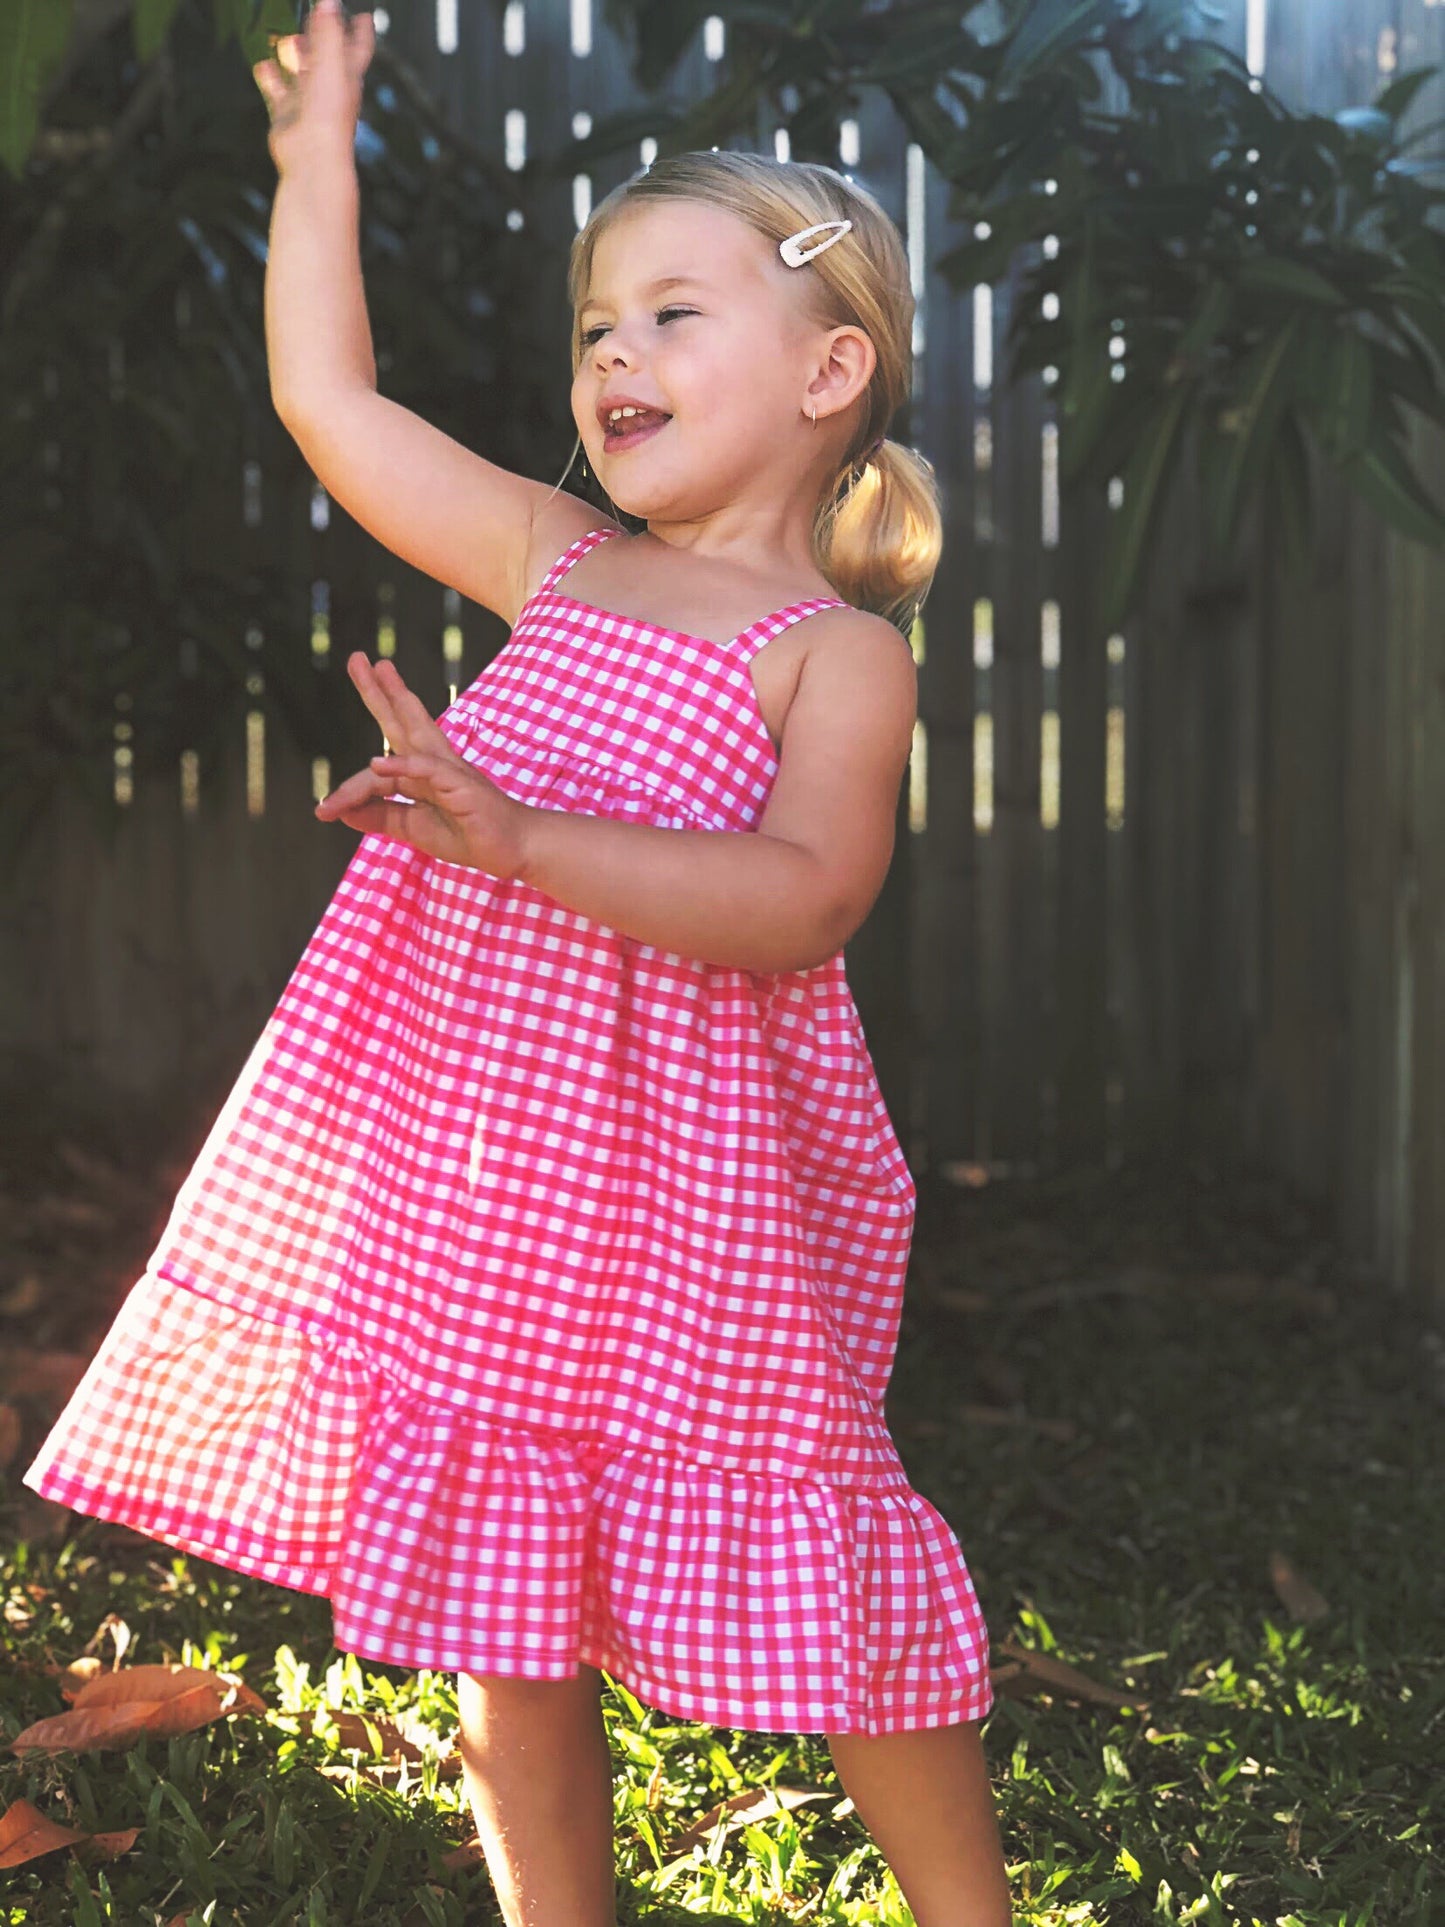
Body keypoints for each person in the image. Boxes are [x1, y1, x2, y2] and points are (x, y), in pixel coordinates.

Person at [24, 2, 1012, 1922]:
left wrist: (518, 835)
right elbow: (338, 408)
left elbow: (808, 893)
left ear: (831, 368)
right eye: (594, 328)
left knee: (823, 1535)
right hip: (487, 1169)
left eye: (668, 313)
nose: (612, 354)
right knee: (507, 1560)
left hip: (699, 1194)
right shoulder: (558, 562)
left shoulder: (834, 651)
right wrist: (322, 159)